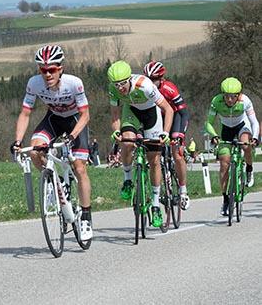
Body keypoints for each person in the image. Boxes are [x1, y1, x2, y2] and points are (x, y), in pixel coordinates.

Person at [11, 44, 93, 241]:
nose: (47, 74)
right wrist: (17, 141)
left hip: (75, 122)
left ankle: (86, 217)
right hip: (53, 119)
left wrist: (72, 136)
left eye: (52, 70)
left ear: (60, 69)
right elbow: (25, 113)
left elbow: (85, 115)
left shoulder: (74, 83)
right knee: (34, 150)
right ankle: (52, 183)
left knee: (80, 168)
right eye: (43, 70)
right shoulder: (34, 83)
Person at [108, 60, 173, 227]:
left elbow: (168, 109)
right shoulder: (113, 90)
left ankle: (156, 205)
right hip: (131, 112)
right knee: (127, 142)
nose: (120, 88)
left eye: (122, 83)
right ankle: (128, 180)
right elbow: (115, 114)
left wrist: (165, 133)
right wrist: (116, 131)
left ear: (129, 78)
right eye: (116, 85)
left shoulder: (145, 85)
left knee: (154, 160)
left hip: (152, 114)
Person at [204, 77, 259, 216]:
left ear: (239, 95)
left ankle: (249, 169)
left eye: (233, 97)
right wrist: (214, 135)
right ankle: (225, 199)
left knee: (245, 145)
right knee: (224, 163)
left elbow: (254, 122)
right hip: (226, 129)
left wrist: (256, 138)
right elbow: (208, 123)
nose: (229, 100)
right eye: (227, 96)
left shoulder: (245, 101)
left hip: (242, 126)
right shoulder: (216, 101)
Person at [143, 60, 191, 210]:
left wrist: (180, 135)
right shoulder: (144, 90)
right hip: (157, 119)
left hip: (175, 116)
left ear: (161, 78)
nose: (151, 82)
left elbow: (183, 113)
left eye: (154, 80)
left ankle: (183, 191)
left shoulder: (169, 89)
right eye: (148, 79)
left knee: (177, 154)